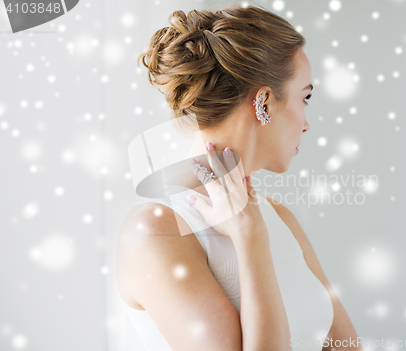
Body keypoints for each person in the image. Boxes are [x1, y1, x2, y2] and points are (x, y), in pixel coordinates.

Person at [116, 4, 361, 351]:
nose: (307, 123)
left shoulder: (278, 216)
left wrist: (255, 227)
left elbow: (347, 347)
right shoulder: (156, 231)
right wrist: (249, 239)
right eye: (305, 98)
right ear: (263, 102)